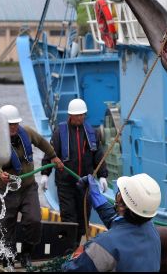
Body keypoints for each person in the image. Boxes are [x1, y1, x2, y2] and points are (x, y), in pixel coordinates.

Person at [0, 105, 64, 269]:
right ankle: (7, 258)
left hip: (28, 188)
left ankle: (26, 253)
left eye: (16, 123)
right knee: (4, 226)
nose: (14, 127)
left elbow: (43, 143)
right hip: (6, 191)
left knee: (34, 220)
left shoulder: (27, 132)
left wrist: (53, 156)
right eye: (10, 124)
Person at [62, 173, 161, 271]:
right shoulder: (152, 231)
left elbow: (72, 269)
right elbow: (120, 224)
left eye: (119, 193)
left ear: (122, 204)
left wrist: (76, 255)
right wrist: (96, 196)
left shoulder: (104, 244)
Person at [42, 98, 109, 245]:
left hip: (85, 185)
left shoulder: (92, 134)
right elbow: (50, 155)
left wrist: (103, 176)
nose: (80, 118)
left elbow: (98, 156)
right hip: (66, 184)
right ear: (70, 115)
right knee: (68, 218)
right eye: (77, 115)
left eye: (82, 115)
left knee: (82, 218)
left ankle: (75, 245)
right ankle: (68, 249)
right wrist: (45, 175)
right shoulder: (59, 133)